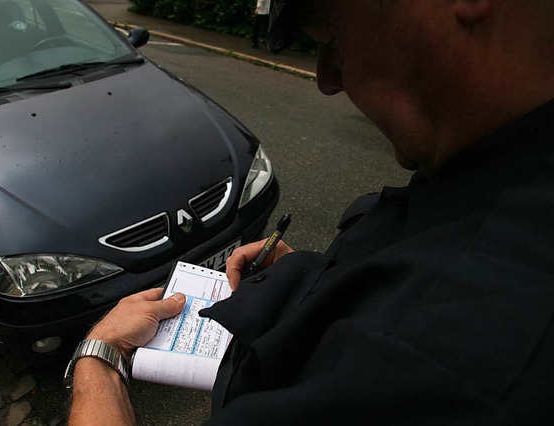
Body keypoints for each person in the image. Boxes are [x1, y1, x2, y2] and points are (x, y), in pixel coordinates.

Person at [68, 0, 554, 424]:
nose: (326, 79)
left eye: (333, 39)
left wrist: (101, 356)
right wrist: (315, 282)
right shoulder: (492, 171)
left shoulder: (432, 362)